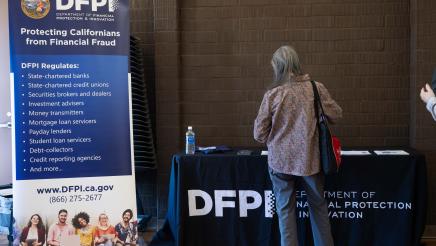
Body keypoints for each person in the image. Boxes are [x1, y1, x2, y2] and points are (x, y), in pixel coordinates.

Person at [254, 45, 342, 246]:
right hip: (310, 159)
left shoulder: (273, 94)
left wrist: (276, 137)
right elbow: (336, 114)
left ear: (278, 67)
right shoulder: (315, 88)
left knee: (285, 210)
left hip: (280, 162)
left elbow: (259, 134)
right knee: (318, 207)